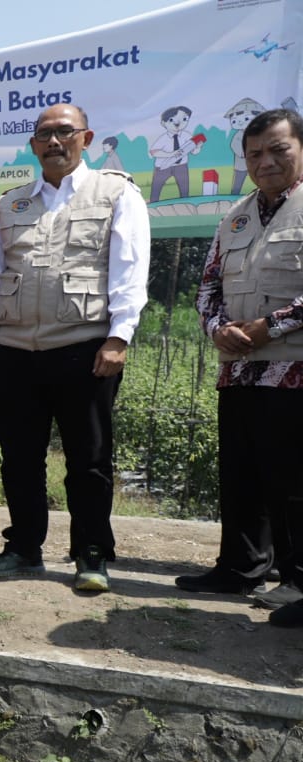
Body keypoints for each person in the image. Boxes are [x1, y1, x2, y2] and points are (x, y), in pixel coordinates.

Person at [0, 104, 149, 592]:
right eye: (44, 134)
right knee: (19, 458)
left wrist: (119, 337)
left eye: (64, 132)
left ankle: (90, 552)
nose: (54, 141)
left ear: (85, 138)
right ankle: (25, 548)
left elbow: (130, 271)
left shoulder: (116, 194)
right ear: (32, 146)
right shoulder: (10, 205)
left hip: (84, 348)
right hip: (15, 352)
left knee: (88, 459)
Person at [183, 108, 303, 618]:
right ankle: (240, 567)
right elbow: (208, 285)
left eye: (278, 149)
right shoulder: (235, 215)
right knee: (242, 476)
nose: (266, 161)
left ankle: (299, 582)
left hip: (293, 374)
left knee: (294, 485)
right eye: (255, 153)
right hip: (239, 372)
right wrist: (218, 329)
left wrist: (268, 327)